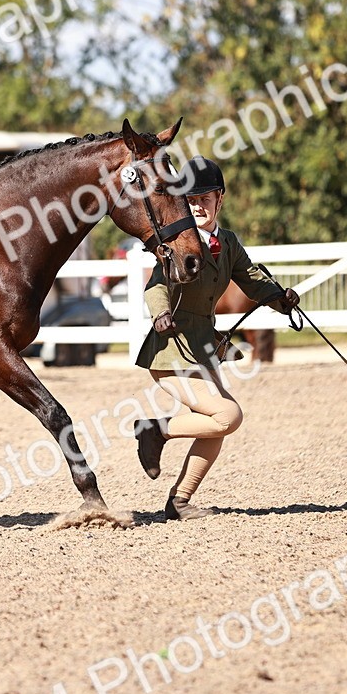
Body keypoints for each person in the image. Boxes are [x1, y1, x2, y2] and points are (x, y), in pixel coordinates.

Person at [132, 156, 299, 520]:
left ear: (219, 199)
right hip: (171, 351)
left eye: (204, 198)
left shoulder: (229, 242)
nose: (197, 206)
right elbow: (156, 285)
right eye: (191, 200)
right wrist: (160, 313)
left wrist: (280, 299)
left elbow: (252, 279)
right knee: (228, 415)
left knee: (217, 426)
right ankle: (154, 430)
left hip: (205, 349)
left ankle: (180, 501)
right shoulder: (176, 242)